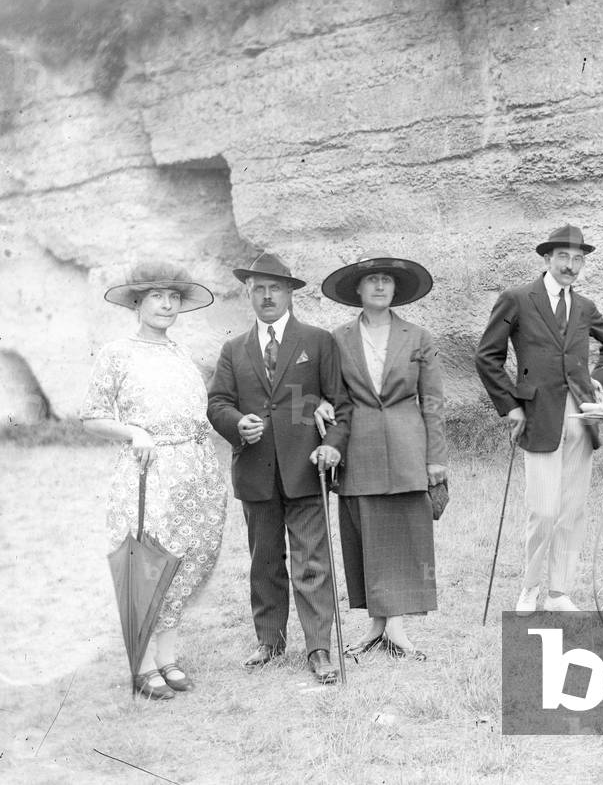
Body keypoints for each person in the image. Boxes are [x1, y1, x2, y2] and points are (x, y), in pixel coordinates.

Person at [81, 261, 227, 700]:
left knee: (186, 561)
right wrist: (134, 431)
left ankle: (167, 657)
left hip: (195, 472)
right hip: (148, 470)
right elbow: (92, 418)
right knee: (146, 560)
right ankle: (143, 665)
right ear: (137, 302)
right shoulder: (117, 353)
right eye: (157, 296)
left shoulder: (180, 353)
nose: (167, 304)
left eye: (174, 297)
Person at [206, 251, 351, 684]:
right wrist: (237, 424)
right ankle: (269, 642)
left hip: (306, 470)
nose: (267, 296)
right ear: (248, 294)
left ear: (290, 294)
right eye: (258, 289)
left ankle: (319, 648)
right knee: (264, 560)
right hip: (255, 471)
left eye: (275, 288)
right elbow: (217, 403)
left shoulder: (318, 342)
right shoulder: (234, 349)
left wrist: (331, 447)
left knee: (312, 562)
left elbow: (341, 406)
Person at [475, 224, 603, 614]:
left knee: (571, 510)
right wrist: (511, 406)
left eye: (578, 259)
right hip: (538, 416)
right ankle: (530, 588)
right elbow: (487, 356)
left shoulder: (585, 306)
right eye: (563, 258)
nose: (571, 266)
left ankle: (559, 592)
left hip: (581, 417)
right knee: (542, 511)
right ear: (547, 258)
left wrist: (599, 379)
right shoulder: (517, 299)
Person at [316, 256, 447, 661]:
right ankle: (376, 624)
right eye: (371, 280)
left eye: (386, 280)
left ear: (395, 289)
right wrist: (319, 402)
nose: (379, 286)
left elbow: (433, 401)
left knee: (407, 532)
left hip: (409, 447)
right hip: (359, 447)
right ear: (357, 289)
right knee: (366, 532)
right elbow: (327, 389)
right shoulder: (337, 339)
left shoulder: (419, 337)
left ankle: (397, 627)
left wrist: (436, 458)